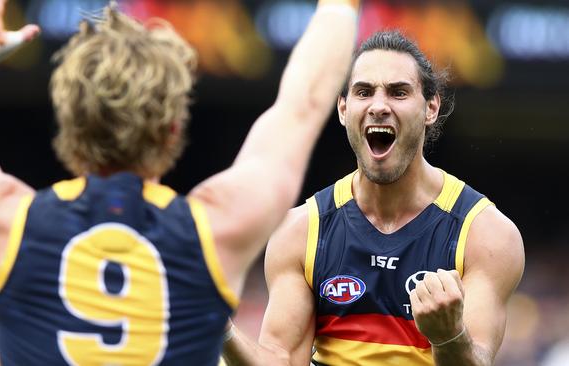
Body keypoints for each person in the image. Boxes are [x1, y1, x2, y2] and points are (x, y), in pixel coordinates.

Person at [0, 0, 360, 364]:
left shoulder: (5, 222)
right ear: (173, 126)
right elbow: (302, 104)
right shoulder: (217, 228)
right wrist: (340, 6)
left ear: (68, 119)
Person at [223, 30, 525, 366]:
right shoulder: (300, 231)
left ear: (431, 107)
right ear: (342, 109)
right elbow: (281, 360)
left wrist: (448, 335)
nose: (379, 106)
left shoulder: (487, 235)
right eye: (364, 92)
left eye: (398, 92)